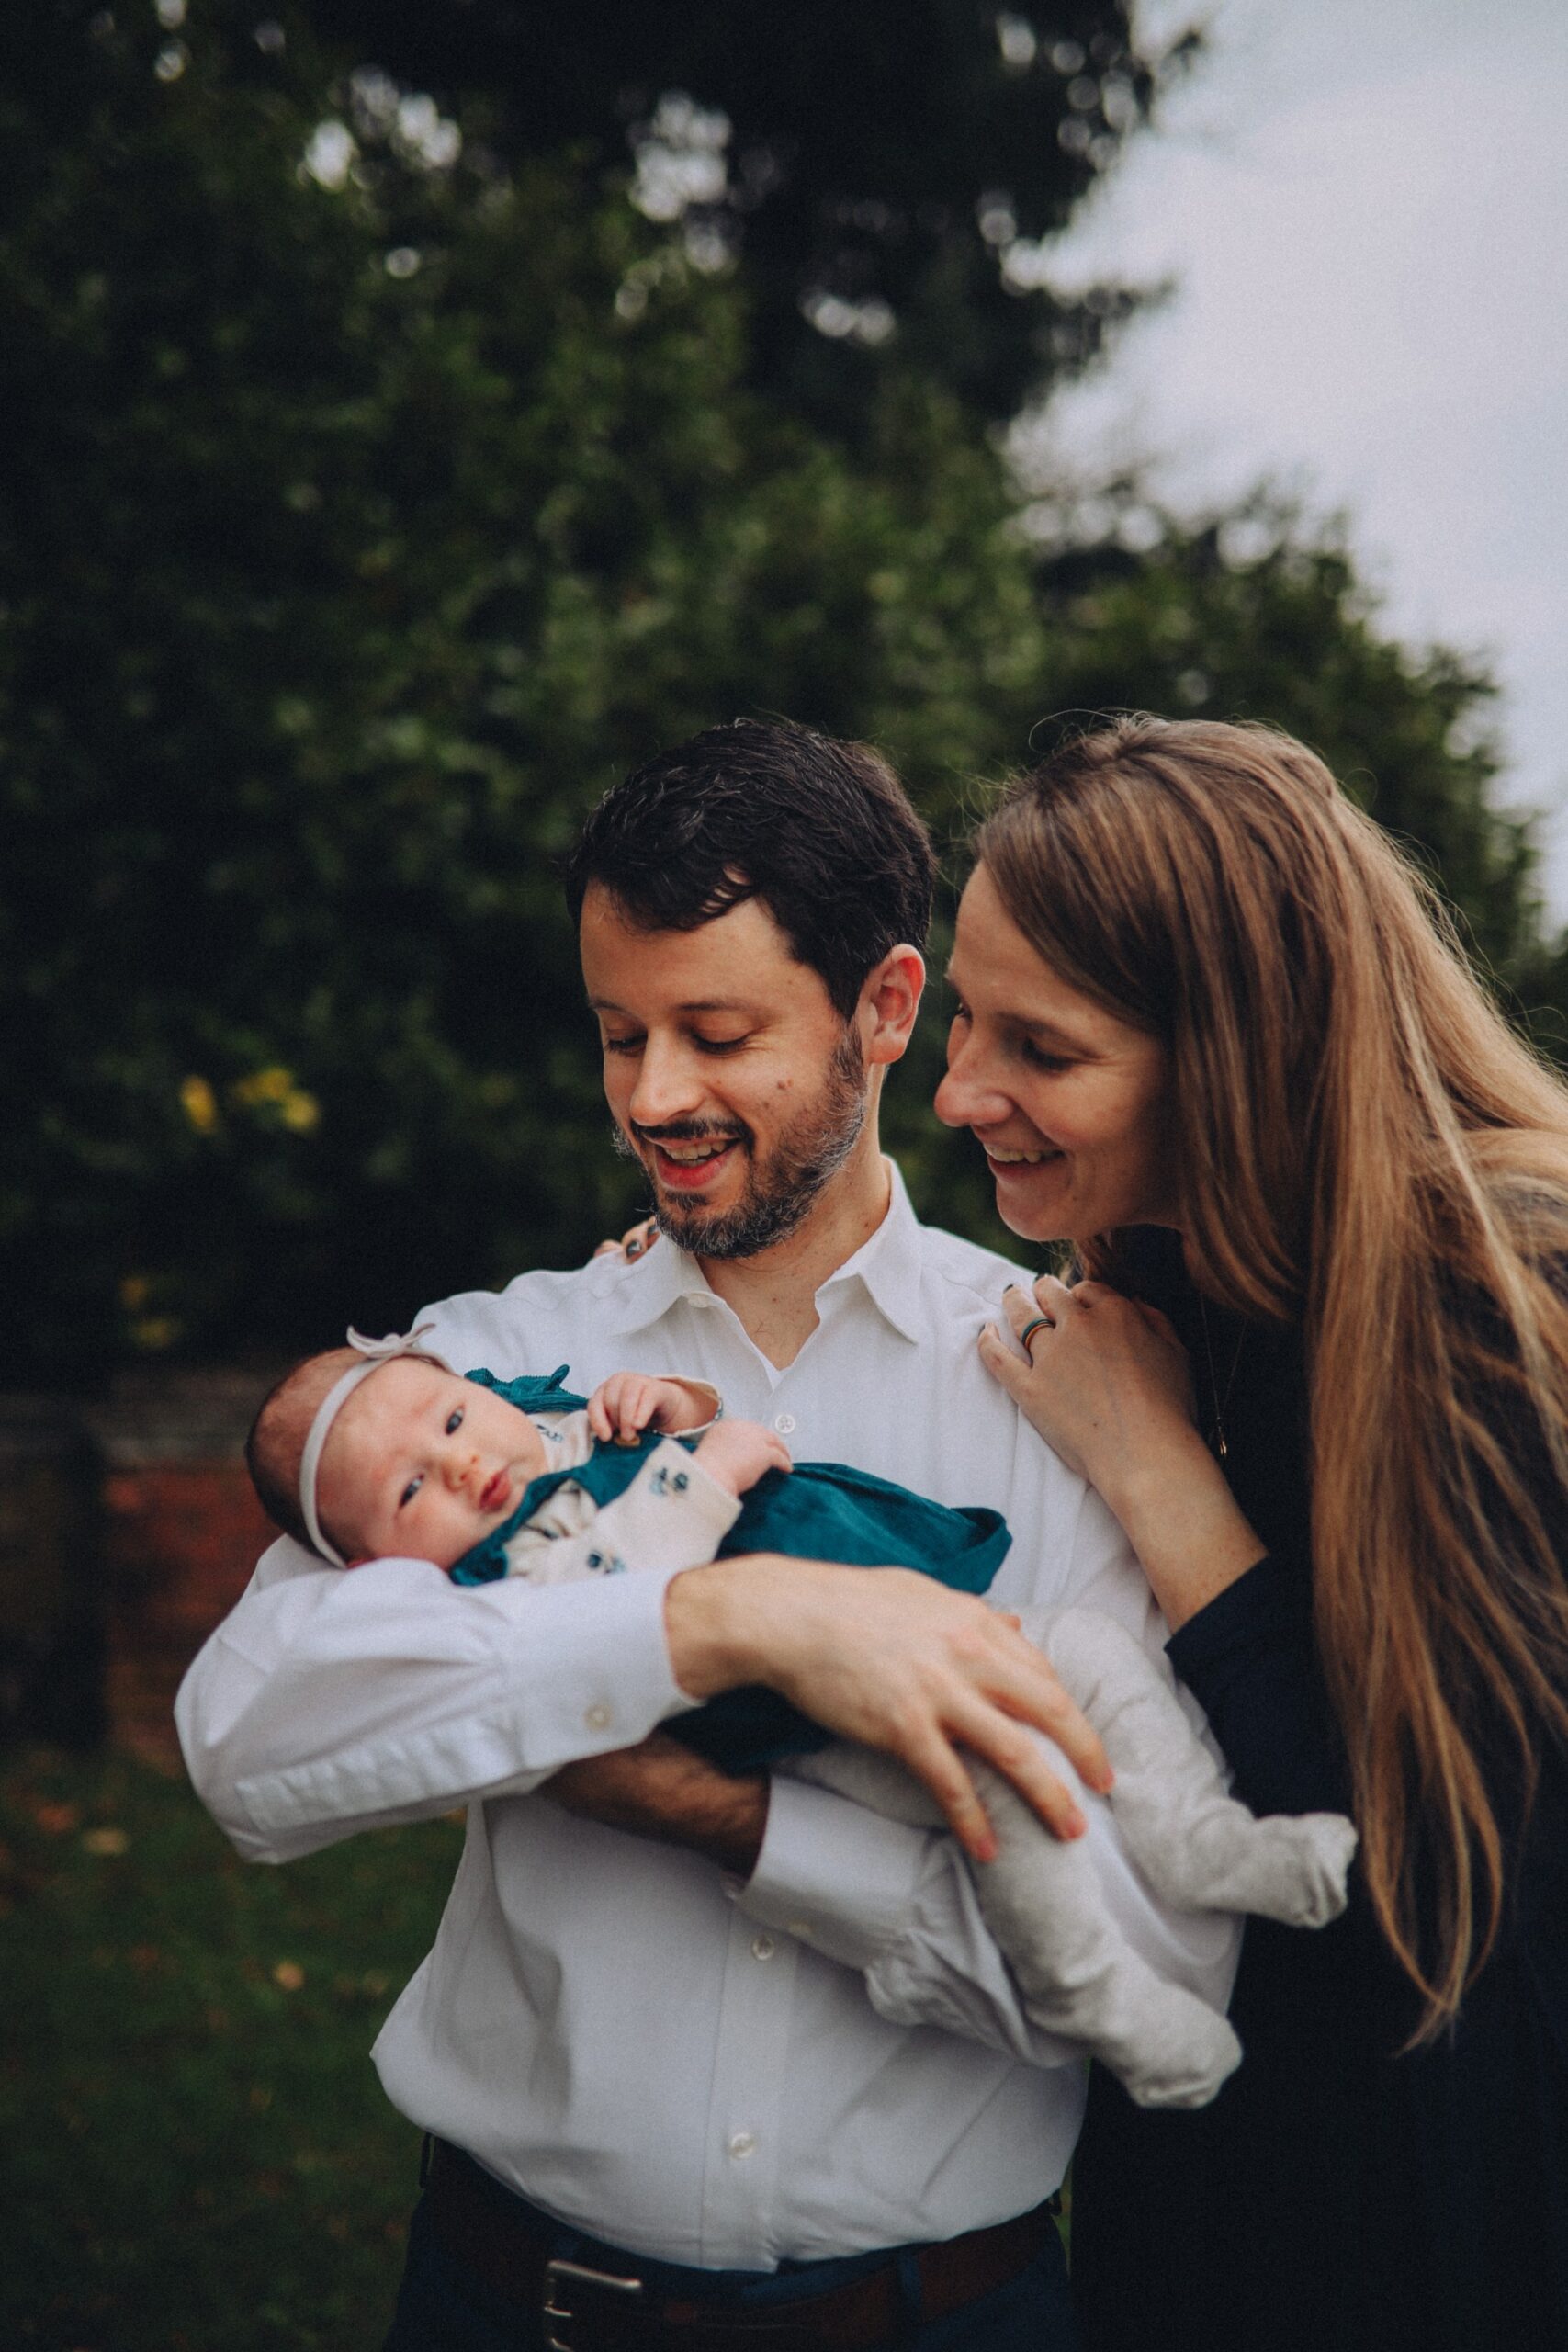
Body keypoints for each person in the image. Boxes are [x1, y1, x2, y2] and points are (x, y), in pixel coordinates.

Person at [924, 714, 1568, 2351]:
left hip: (1424, 2233)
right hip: (1205, 2199)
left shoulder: (1494, 1303)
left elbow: (1426, 1899)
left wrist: (1164, 1492)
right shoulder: (1172, 1273)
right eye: (959, 1022)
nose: (956, 1093)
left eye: (1039, 1052)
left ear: (1239, 1052)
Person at [244, 1330, 1356, 2109]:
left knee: (1096, 1654)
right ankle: (1095, 1993)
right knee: (996, 1776)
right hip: (803, 1725)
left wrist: (672, 1407)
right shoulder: (502, 1567)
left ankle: (1199, 1836)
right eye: (408, 1490)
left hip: (936, 1605)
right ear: (373, 1565)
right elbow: (601, 1589)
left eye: (451, 1415)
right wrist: (705, 1472)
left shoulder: (558, 1434)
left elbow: (664, 1429)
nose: (464, 1460)